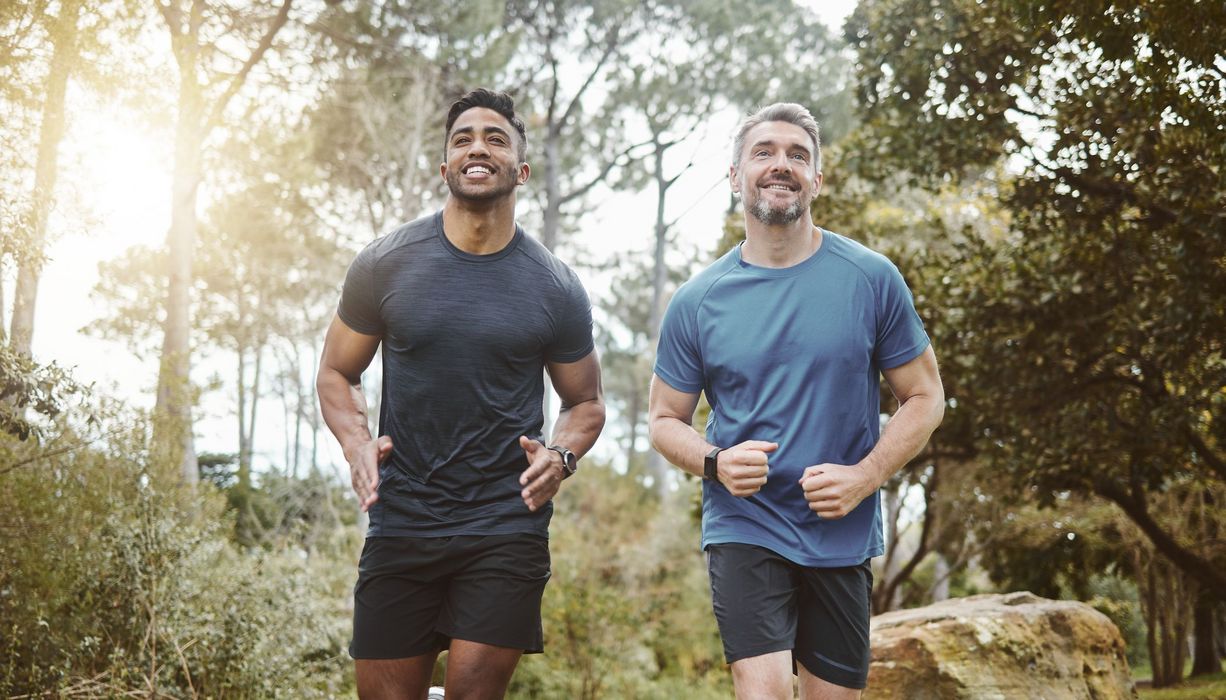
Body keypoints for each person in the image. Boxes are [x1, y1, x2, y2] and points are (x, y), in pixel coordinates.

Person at [648, 103, 944, 699]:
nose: (780, 165)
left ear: (817, 179)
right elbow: (662, 420)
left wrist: (865, 477)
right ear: (735, 176)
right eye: (763, 152)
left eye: (797, 155)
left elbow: (924, 396)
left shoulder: (870, 278)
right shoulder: (698, 300)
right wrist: (716, 462)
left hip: (841, 529)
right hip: (746, 523)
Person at [317, 88, 605, 700]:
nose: (478, 146)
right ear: (444, 166)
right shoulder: (384, 265)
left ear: (521, 171)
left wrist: (562, 457)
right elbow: (337, 373)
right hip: (402, 517)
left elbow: (586, 403)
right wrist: (356, 443)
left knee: (474, 690)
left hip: (506, 521)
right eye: (463, 139)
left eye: (496, 138)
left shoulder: (555, 287)